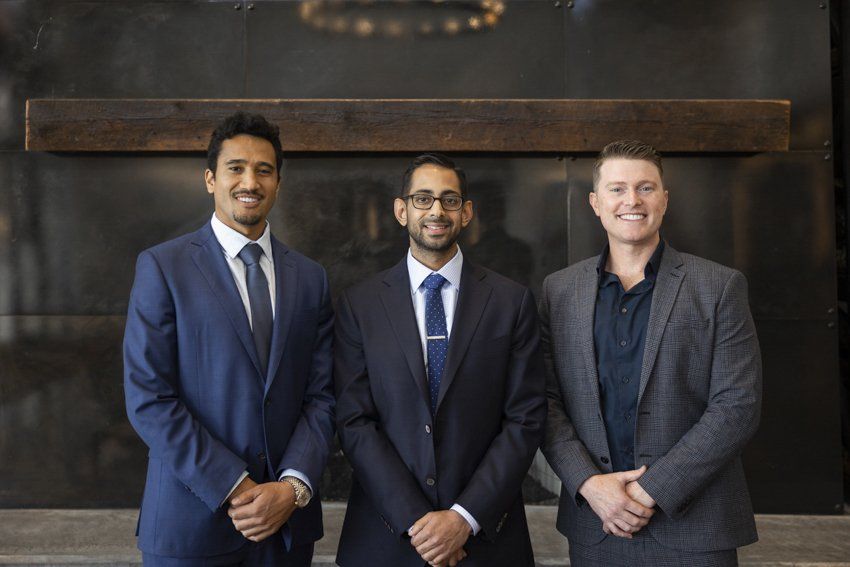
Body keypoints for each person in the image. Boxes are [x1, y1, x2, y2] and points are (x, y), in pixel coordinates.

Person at [124, 112, 334, 566]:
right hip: (189, 526)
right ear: (210, 179)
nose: (250, 182)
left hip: (286, 529)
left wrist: (291, 488)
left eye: (264, 170)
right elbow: (149, 398)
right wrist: (235, 486)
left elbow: (322, 395)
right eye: (235, 168)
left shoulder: (311, 278)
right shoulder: (163, 267)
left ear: (278, 183)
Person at [540, 140, 762, 566]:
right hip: (596, 526)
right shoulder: (559, 291)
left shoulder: (719, 286)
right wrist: (589, 484)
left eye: (645, 188)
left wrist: (650, 491)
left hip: (696, 526)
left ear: (664, 199)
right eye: (617, 189)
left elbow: (738, 405)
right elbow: (545, 402)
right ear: (595, 203)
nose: (632, 200)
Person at [333, 153, 546, 567]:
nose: (436, 211)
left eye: (450, 200)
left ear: (466, 213)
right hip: (386, 538)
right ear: (401, 210)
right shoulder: (359, 304)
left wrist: (464, 518)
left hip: (486, 538)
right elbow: (354, 420)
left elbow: (525, 419)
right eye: (423, 199)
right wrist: (416, 521)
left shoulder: (511, 302)